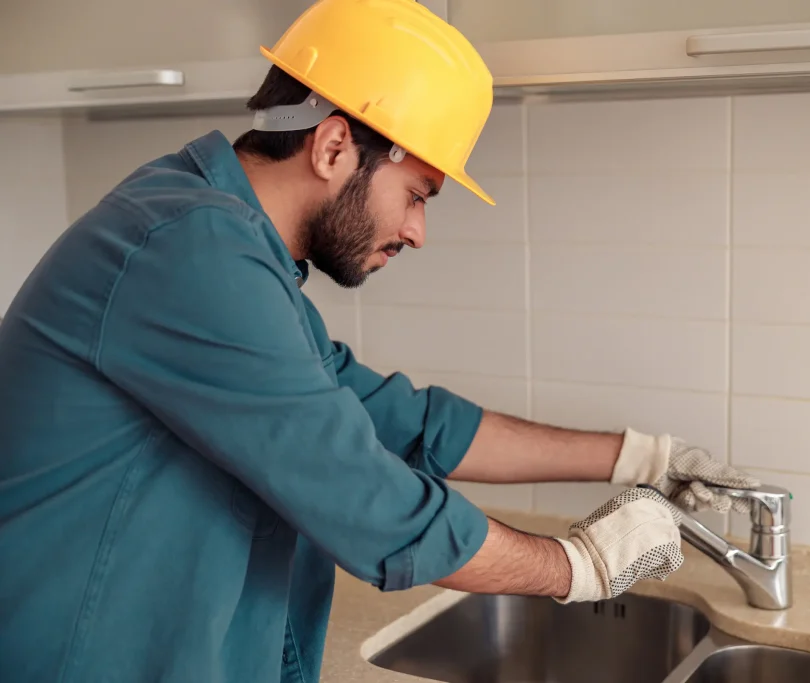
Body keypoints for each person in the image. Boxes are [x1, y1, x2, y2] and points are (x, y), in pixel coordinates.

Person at [0, 1, 759, 681]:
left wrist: (639, 457)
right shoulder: (188, 250)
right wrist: (579, 565)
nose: (417, 231)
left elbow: (404, 423)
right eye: (419, 195)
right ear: (333, 147)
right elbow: (368, 501)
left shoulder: (239, 253)